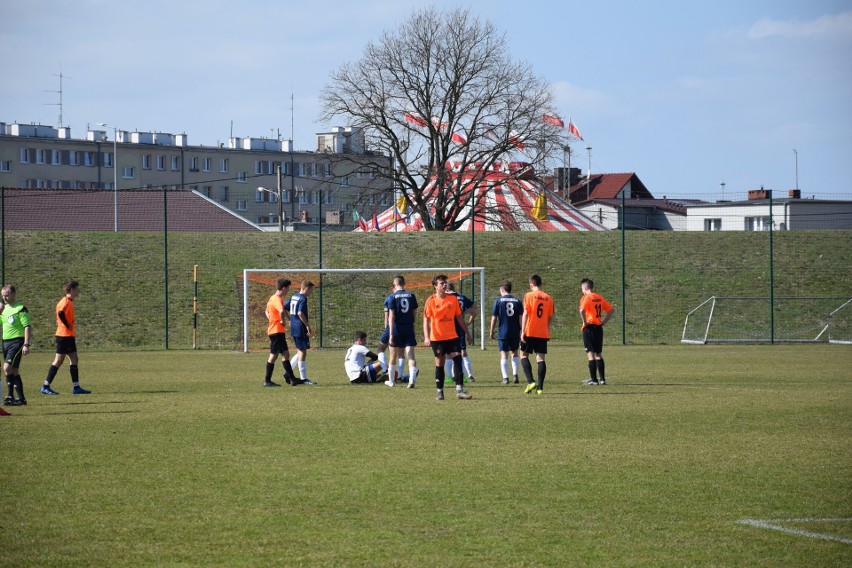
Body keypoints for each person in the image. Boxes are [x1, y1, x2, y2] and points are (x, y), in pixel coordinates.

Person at [423, 274, 472, 400]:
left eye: (445, 283)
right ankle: (440, 391)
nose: (444, 285)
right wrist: (427, 337)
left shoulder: (453, 299)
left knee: (457, 359)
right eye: (441, 283)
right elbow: (426, 320)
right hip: (437, 338)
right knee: (440, 363)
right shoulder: (431, 300)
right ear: (435, 286)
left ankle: (459, 390)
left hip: (452, 336)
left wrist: (467, 333)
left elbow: (459, 318)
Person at [41, 280, 91, 395]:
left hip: (68, 336)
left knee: (74, 359)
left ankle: (76, 387)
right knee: (58, 360)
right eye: (77, 289)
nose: (78, 291)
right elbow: (61, 313)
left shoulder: (69, 301)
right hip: (63, 336)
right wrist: (67, 324)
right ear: (72, 290)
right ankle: (45, 386)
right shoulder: (65, 302)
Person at [381, 275, 420, 388]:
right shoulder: (411, 295)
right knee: (411, 355)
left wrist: (391, 333)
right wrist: (411, 322)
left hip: (397, 328)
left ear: (394, 284)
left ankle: (391, 381)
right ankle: (411, 381)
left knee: (393, 355)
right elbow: (414, 313)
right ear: (404, 283)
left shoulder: (392, 297)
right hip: (408, 327)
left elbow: (391, 316)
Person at [264, 278, 303, 387]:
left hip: (275, 330)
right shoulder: (277, 299)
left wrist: (286, 319)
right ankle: (267, 380)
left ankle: (292, 379)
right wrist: (282, 321)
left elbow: (266, 311)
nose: (288, 291)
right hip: (276, 331)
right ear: (284, 288)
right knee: (274, 356)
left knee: (285, 354)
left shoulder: (272, 298)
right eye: (288, 288)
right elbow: (281, 311)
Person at [520, 274, 555, 395]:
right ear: (541, 284)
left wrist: (522, 330)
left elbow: (525, 313)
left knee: (523, 355)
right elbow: (549, 316)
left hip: (530, 330)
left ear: (531, 285)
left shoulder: (528, 296)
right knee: (540, 358)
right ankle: (540, 388)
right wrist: (545, 327)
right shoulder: (548, 298)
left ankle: (530, 382)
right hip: (543, 332)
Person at [2, 285, 32, 406]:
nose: (4, 297)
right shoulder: (3, 309)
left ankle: (10, 396)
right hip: (5, 342)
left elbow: (27, 326)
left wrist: (26, 344)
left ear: (14, 294)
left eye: (7, 295)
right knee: (14, 370)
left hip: (17, 342)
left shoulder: (21, 309)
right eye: (2, 295)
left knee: (6, 367)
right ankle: (21, 398)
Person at [579, 278, 614, 385]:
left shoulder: (586, 297)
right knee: (598, 354)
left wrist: (584, 322)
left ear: (585, 288)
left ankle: (594, 380)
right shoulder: (599, 297)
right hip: (598, 328)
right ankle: (602, 379)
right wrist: (603, 322)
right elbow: (611, 310)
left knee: (590, 354)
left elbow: (582, 310)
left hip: (589, 328)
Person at [489, 280, 523, 384]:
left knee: (504, 353)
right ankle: (515, 375)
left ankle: (505, 378)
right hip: (515, 331)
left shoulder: (498, 301)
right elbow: (521, 318)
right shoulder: (517, 301)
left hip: (503, 331)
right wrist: (522, 331)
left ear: (502, 289)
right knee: (515, 352)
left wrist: (491, 331)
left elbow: (494, 317)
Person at [445, 282, 476, 383]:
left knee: (449, 353)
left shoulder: (447, 298)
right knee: (462, 352)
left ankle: (449, 377)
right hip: (461, 327)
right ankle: (469, 375)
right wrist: (468, 323)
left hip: (449, 327)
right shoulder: (462, 297)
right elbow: (474, 310)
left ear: (446, 289)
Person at [286, 280, 316, 385]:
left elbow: (284, 308)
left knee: (300, 350)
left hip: (294, 327)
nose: (311, 292)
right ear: (307, 288)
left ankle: (288, 372)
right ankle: (303, 378)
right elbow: (300, 313)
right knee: (303, 352)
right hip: (300, 328)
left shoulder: (294, 296)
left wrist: (289, 319)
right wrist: (307, 326)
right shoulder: (303, 298)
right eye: (311, 290)